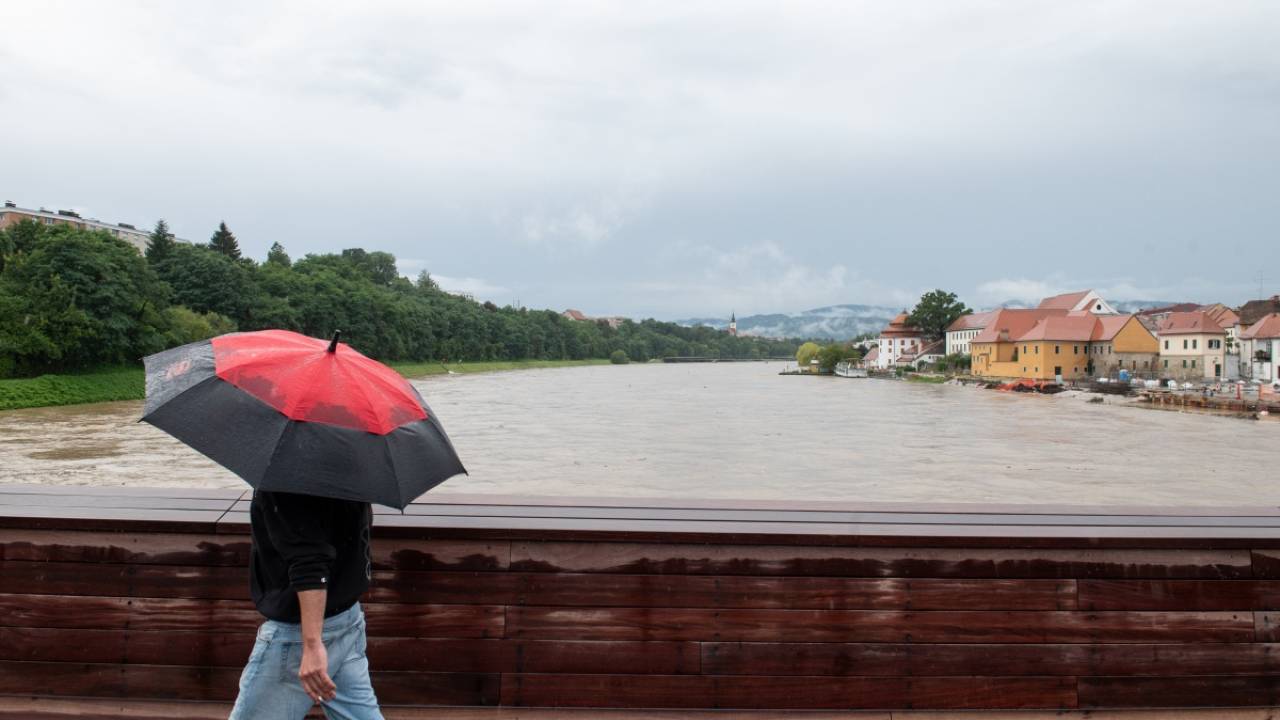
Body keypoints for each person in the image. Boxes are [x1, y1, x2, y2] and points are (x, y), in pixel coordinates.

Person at [228, 490, 383, 719]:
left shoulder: (285, 481)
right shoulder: (351, 474)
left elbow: (309, 564)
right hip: (347, 616)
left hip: (300, 634)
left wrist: (312, 644)